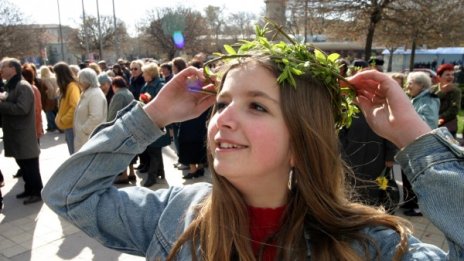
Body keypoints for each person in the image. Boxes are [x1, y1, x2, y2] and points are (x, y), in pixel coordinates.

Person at [42, 34, 461, 259]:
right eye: (222, 103)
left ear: (301, 142)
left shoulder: (369, 245)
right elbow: (67, 194)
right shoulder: (173, 216)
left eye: (257, 106)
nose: (223, 118)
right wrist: (151, 117)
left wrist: (416, 140)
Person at [0, 57, 43, 205]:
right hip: (16, 133)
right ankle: (29, 189)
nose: (1, 71)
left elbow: (22, 108)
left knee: (30, 165)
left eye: (3, 67)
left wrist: (2, 105)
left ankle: (37, 192)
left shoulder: (22, 86)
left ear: (12, 68)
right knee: (23, 164)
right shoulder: (11, 85)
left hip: (24, 134)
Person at [402, 71, 440, 217]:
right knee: (410, 176)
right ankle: (411, 202)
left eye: (411, 83)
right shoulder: (418, 98)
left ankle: (420, 208)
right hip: (413, 144)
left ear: (421, 85)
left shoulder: (429, 100)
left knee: (420, 177)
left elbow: (428, 123)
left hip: (422, 145)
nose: (408, 86)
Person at [73, 68, 107, 152]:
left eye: (80, 80)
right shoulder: (87, 92)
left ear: (86, 81)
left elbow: (96, 117)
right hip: (84, 138)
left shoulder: (95, 94)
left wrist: (83, 131)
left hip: (89, 138)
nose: (79, 82)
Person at [54, 62, 81, 154]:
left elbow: (75, 107)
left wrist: (63, 120)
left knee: (74, 154)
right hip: (68, 126)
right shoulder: (67, 87)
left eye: (56, 74)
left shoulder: (72, 87)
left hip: (71, 126)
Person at [434, 63, 461, 137]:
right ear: (439, 77)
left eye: (452, 75)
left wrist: (438, 118)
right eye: (447, 75)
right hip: (431, 125)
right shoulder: (432, 89)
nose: (451, 77)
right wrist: (442, 92)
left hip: (448, 127)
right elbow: (429, 103)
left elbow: (454, 110)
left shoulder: (455, 91)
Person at [39, 65, 60, 132]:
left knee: (49, 112)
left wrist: (48, 96)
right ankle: (58, 126)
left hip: (51, 97)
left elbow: (50, 88)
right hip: (57, 96)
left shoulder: (45, 79)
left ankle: (52, 126)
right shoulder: (54, 77)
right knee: (56, 111)